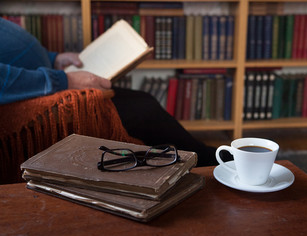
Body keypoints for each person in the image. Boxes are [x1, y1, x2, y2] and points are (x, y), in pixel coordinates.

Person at [0, 18, 218, 166]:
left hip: (48, 80)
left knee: (143, 103)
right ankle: (208, 160)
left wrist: (54, 58)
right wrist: (63, 81)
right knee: (142, 110)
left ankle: (205, 156)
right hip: (35, 101)